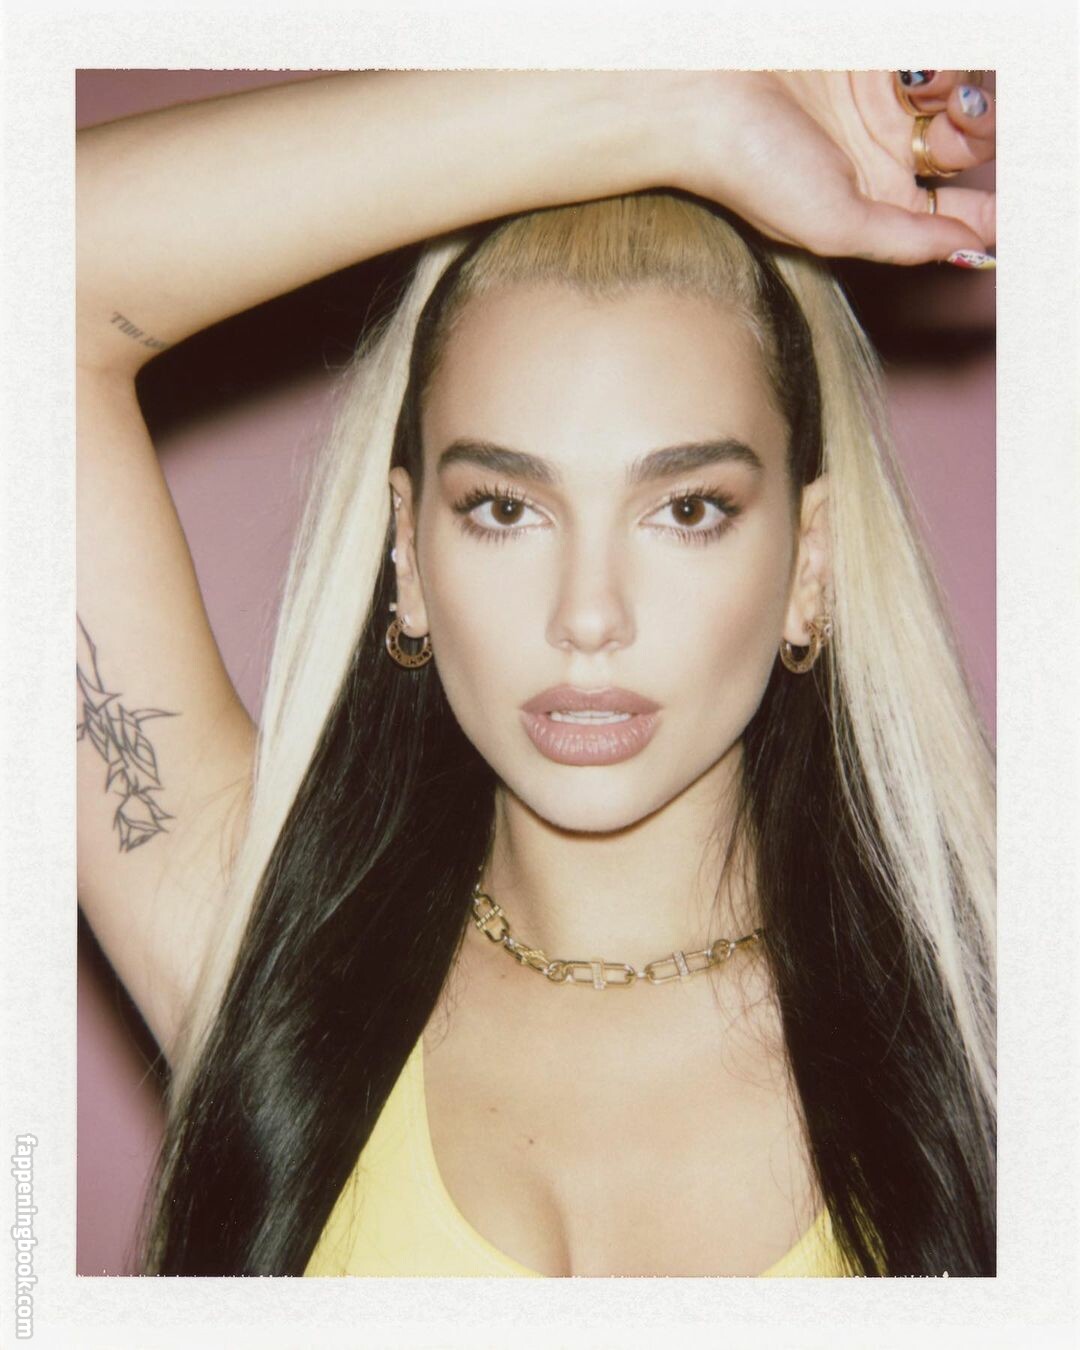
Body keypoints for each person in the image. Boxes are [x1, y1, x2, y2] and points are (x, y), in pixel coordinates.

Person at [75, 69, 996, 1279]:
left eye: (688, 508)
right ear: (408, 554)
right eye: (505, 508)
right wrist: (680, 100)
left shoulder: (998, 1042)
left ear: (809, 562)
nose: (588, 617)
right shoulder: (265, 962)